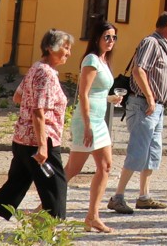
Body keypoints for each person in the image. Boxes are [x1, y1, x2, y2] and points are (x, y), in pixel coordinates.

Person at [0, 29, 74, 245]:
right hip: (41, 141)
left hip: (22, 139)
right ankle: (46, 238)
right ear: (50, 48)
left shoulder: (35, 68)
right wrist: (43, 146)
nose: (68, 53)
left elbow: (18, 96)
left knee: (14, 186)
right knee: (56, 189)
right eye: (65, 48)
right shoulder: (46, 74)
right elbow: (39, 112)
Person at [109, 11, 167, 215]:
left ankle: (144, 196)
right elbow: (138, 70)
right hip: (144, 104)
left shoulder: (163, 45)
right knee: (138, 150)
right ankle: (117, 197)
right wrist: (151, 97)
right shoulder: (151, 42)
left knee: (152, 152)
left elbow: (153, 74)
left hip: (156, 106)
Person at [63, 23, 119, 233]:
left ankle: (92, 217)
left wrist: (111, 98)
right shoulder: (91, 59)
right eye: (107, 37)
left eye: (114, 37)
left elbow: (97, 92)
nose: (111, 41)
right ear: (97, 38)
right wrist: (87, 125)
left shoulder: (103, 60)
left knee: (105, 166)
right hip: (87, 121)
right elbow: (84, 93)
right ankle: (42, 209)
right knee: (72, 169)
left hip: (99, 120)